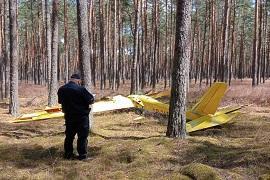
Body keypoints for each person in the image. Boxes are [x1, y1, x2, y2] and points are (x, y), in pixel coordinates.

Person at [57, 74, 94, 160]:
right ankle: (82, 155)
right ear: (78, 81)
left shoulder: (61, 89)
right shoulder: (81, 89)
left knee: (69, 136)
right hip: (81, 117)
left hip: (69, 116)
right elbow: (91, 100)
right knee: (82, 136)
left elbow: (60, 101)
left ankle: (68, 154)